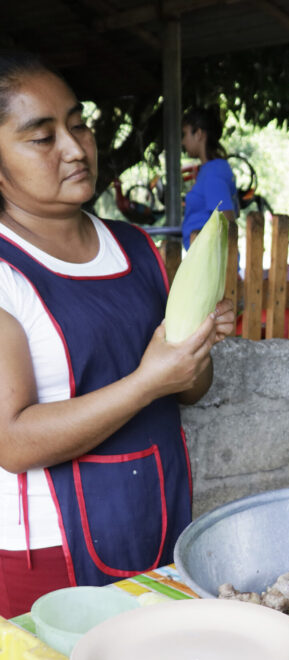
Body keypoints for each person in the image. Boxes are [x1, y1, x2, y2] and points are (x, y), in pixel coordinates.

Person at [0, 52, 235, 617]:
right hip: (48, 550)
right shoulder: (7, 273)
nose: (77, 148)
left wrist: (196, 350)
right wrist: (147, 382)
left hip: (160, 517)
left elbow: (189, 391)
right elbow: (12, 441)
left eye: (78, 123)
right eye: (42, 137)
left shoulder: (134, 246)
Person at [181, 105, 239, 246]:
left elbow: (227, 223)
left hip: (211, 264)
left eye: (185, 134)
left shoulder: (213, 173)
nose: (183, 142)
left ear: (199, 134)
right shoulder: (213, 169)